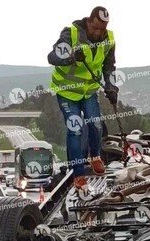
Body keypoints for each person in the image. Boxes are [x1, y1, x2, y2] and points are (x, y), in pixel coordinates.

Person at [48, 6, 119, 191]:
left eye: (101, 29)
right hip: (67, 91)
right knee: (76, 130)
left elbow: (108, 66)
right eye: (95, 28)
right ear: (88, 22)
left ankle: (95, 155)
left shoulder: (108, 39)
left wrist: (111, 86)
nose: (98, 32)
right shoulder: (70, 34)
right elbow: (52, 56)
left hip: (89, 91)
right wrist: (70, 57)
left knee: (95, 123)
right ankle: (78, 174)